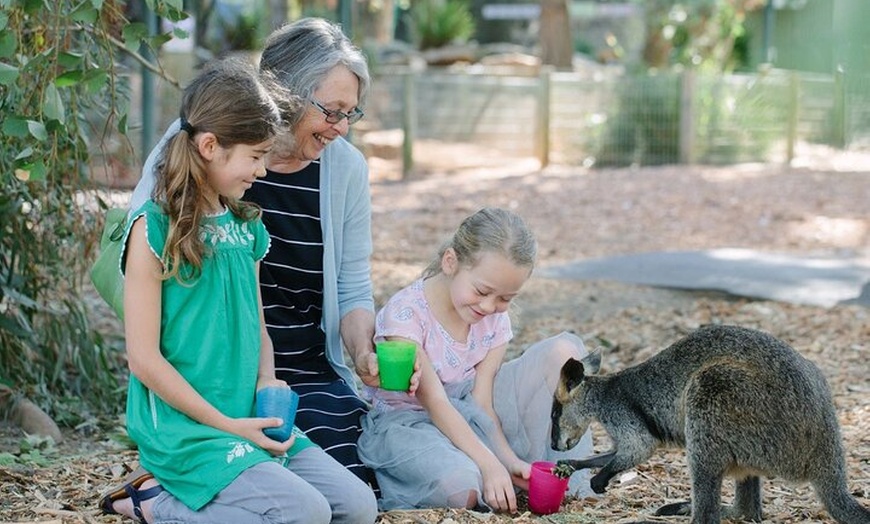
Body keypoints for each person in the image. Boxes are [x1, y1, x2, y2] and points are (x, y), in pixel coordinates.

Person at [127, 18, 411, 491]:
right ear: (287, 93)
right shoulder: (202, 141)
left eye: (351, 114)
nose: (341, 128)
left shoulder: (344, 170)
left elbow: (352, 286)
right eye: (332, 111)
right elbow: (146, 249)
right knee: (291, 491)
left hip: (301, 370)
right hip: (208, 376)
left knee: (359, 486)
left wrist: (364, 353)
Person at [100, 58, 377, 524]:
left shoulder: (247, 227)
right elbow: (143, 359)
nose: (263, 172)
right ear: (210, 146)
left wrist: (267, 380)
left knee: (357, 507)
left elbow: (258, 327)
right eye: (255, 157)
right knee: (306, 513)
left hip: (247, 413)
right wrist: (228, 425)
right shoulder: (153, 230)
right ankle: (155, 503)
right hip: (190, 428)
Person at [357, 207, 595, 513]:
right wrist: (489, 464)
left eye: (505, 298)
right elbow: (436, 403)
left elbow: (482, 403)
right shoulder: (406, 314)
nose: (489, 306)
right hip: (412, 423)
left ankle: (565, 484)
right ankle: (480, 473)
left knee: (565, 352)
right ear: (450, 262)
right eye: (482, 291)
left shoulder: (494, 317)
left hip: (469, 410)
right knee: (461, 489)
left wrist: (507, 460)